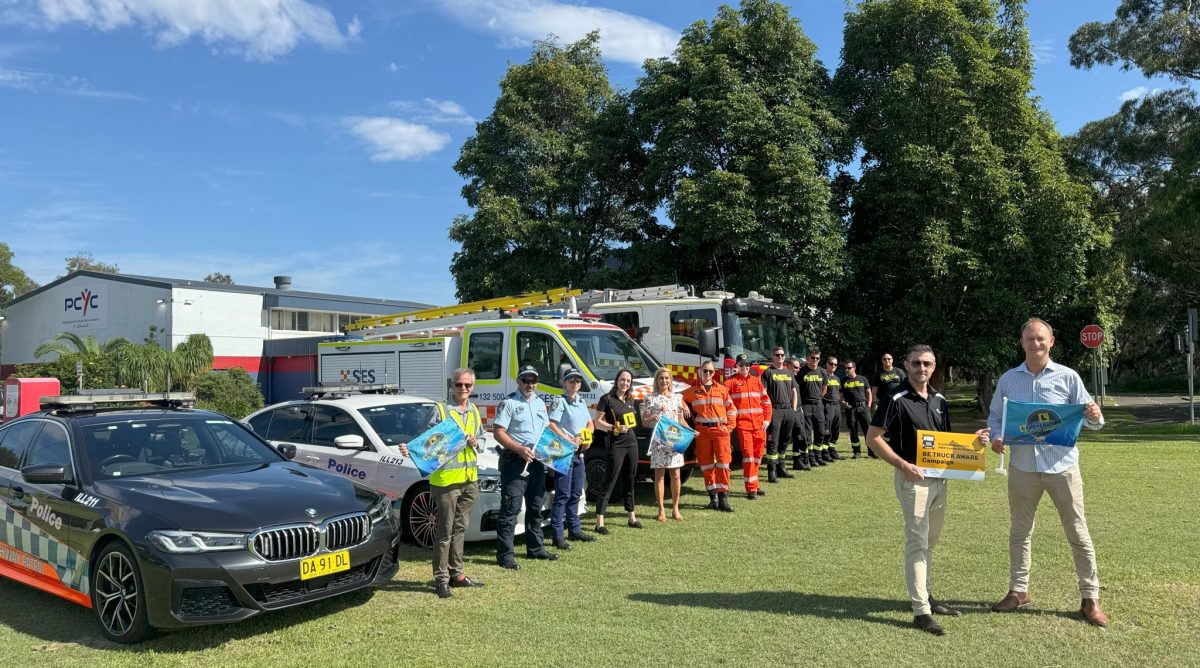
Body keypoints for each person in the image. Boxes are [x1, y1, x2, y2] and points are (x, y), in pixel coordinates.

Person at [985, 318, 1110, 627]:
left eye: (1041, 338)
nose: (1035, 343)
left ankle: (1090, 598)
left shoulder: (1068, 377)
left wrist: (1094, 415)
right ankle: (1018, 591)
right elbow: (995, 417)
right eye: (1030, 338)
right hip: (1022, 467)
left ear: (1051, 341)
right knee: (1019, 532)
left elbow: (1091, 419)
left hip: (1062, 467)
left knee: (1078, 532)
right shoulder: (1009, 379)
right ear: (1022, 342)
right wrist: (996, 437)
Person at [866, 344, 959, 636]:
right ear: (906, 365)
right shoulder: (895, 397)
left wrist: (975, 443)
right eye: (916, 363)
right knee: (917, 543)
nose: (922, 369)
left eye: (927, 364)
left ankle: (927, 596)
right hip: (913, 480)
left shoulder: (940, 399)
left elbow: (946, 441)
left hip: (939, 479)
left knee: (931, 542)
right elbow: (873, 437)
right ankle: (921, 611)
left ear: (934, 367)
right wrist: (901, 464)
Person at [398, 368, 485, 599]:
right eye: (459, 385)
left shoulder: (475, 410)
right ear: (451, 386)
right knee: (444, 532)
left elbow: (484, 437)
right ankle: (441, 579)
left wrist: (477, 442)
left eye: (468, 385)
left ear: (472, 387)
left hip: (469, 479)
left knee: (460, 530)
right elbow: (427, 443)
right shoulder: (440, 410)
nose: (463, 389)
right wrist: (411, 450)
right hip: (446, 481)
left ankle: (457, 574)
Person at [492, 365, 555, 569]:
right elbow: (498, 432)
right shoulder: (509, 403)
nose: (530, 384)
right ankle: (505, 556)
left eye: (533, 380)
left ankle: (535, 549)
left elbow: (546, 429)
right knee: (511, 509)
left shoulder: (539, 403)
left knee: (536, 506)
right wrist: (519, 449)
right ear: (518, 381)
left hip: (537, 463)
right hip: (515, 462)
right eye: (526, 380)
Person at [547, 367, 596, 549]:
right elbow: (552, 424)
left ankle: (574, 530)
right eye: (571, 381)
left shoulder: (581, 401)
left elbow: (590, 423)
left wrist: (586, 436)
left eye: (577, 381)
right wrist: (568, 439)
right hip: (564, 452)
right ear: (564, 383)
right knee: (562, 495)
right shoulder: (560, 402)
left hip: (578, 453)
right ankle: (557, 535)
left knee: (576, 493)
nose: (575, 384)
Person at [683, 359, 737, 512]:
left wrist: (729, 428)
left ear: (714, 373)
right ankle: (712, 498)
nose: (707, 373)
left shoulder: (722, 389)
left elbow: (732, 410)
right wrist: (681, 404)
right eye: (705, 371)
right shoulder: (692, 391)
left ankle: (723, 499)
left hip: (721, 432)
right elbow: (677, 397)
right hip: (703, 433)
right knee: (706, 466)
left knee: (723, 464)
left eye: (710, 371)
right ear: (699, 372)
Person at [594, 368, 642, 533]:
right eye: (622, 380)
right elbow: (598, 421)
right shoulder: (606, 399)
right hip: (616, 444)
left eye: (628, 381)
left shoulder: (630, 399)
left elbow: (632, 421)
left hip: (631, 443)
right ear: (617, 380)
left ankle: (632, 517)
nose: (625, 383)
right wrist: (614, 427)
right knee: (610, 481)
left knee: (630, 479)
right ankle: (599, 522)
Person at [641, 367, 691, 522]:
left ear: (670, 380)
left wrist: (691, 431)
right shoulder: (650, 398)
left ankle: (675, 508)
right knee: (659, 476)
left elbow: (681, 420)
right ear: (657, 381)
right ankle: (661, 509)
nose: (664, 381)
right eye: (661, 378)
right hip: (659, 443)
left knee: (676, 475)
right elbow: (644, 421)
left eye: (667, 378)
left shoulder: (677, 398)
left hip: (674, 442)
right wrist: (651, 419)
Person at [724, 353, 773, 500]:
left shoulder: (756, 381)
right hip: (743, 426)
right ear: (736, 366)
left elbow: (766, 402)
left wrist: (767, 420)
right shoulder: (731, 383)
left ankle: (755, 484)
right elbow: (720, 397)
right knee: (748, 456)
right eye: (741, 365)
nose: (745, 367)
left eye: (747, 365)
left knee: (758, 456)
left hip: (759, 425)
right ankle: (751, 489)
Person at [760, 347, 799, 481]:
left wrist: (793, 410)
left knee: (785, 440)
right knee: (773, 441)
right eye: (777, 355)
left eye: (782, 355)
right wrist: (767, 411)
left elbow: (794, 392)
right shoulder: (767, 373)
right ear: (773, 357)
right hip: (774, 410)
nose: (780, 357)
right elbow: (763, 394)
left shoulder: (789, 373)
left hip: (788, 410)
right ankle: (772, 471)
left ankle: (781, 468)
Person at [798, 350, 832, 464]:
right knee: (807, 433)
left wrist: (818, 398)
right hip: (806, 405)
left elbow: (825, 388)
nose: (815, 360)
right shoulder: (802, 372)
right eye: (813, 358)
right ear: (808, 358)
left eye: (817, 358)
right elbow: (798, 390)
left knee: (820, 431)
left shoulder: (822, 371)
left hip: (818, 405)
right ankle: (811, 458)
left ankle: (818, 456)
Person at [870, 352, 907, 459]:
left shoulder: (899, 372)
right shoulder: (879, 374)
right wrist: (874, 403)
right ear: (882, 361)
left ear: (892, 360)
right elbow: (874, 390)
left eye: (889, 359)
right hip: (884, 403)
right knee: (885, 426)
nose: (887, 361)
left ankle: (899, 448)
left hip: (899, 403)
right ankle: (887, 448)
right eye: (884, 359)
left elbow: (905, 386)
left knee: (899, 425)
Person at [840, 360, 873, 458]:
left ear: (854, 368)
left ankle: (872, 452)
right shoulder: (843, 381)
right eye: (845, 368)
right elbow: (841, 396)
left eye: (849, 368)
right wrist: (843, 403)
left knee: (868, 430)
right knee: (853, 430)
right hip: (851, 408)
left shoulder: (863, 379)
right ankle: (856, 452)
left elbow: (869, 392)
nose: (847, 370)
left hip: (863, 407)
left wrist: (869, 405)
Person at [822, 356, 844, 460]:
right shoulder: (823, 376)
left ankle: (832, 450)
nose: (833, 366)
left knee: (836, 430)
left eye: (835, 364)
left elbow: (839, 393)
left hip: (836, 406)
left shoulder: (837, 378)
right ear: (826, 364)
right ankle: (825, 453)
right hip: (827, 405)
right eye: (831, 364)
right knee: (827, 430)